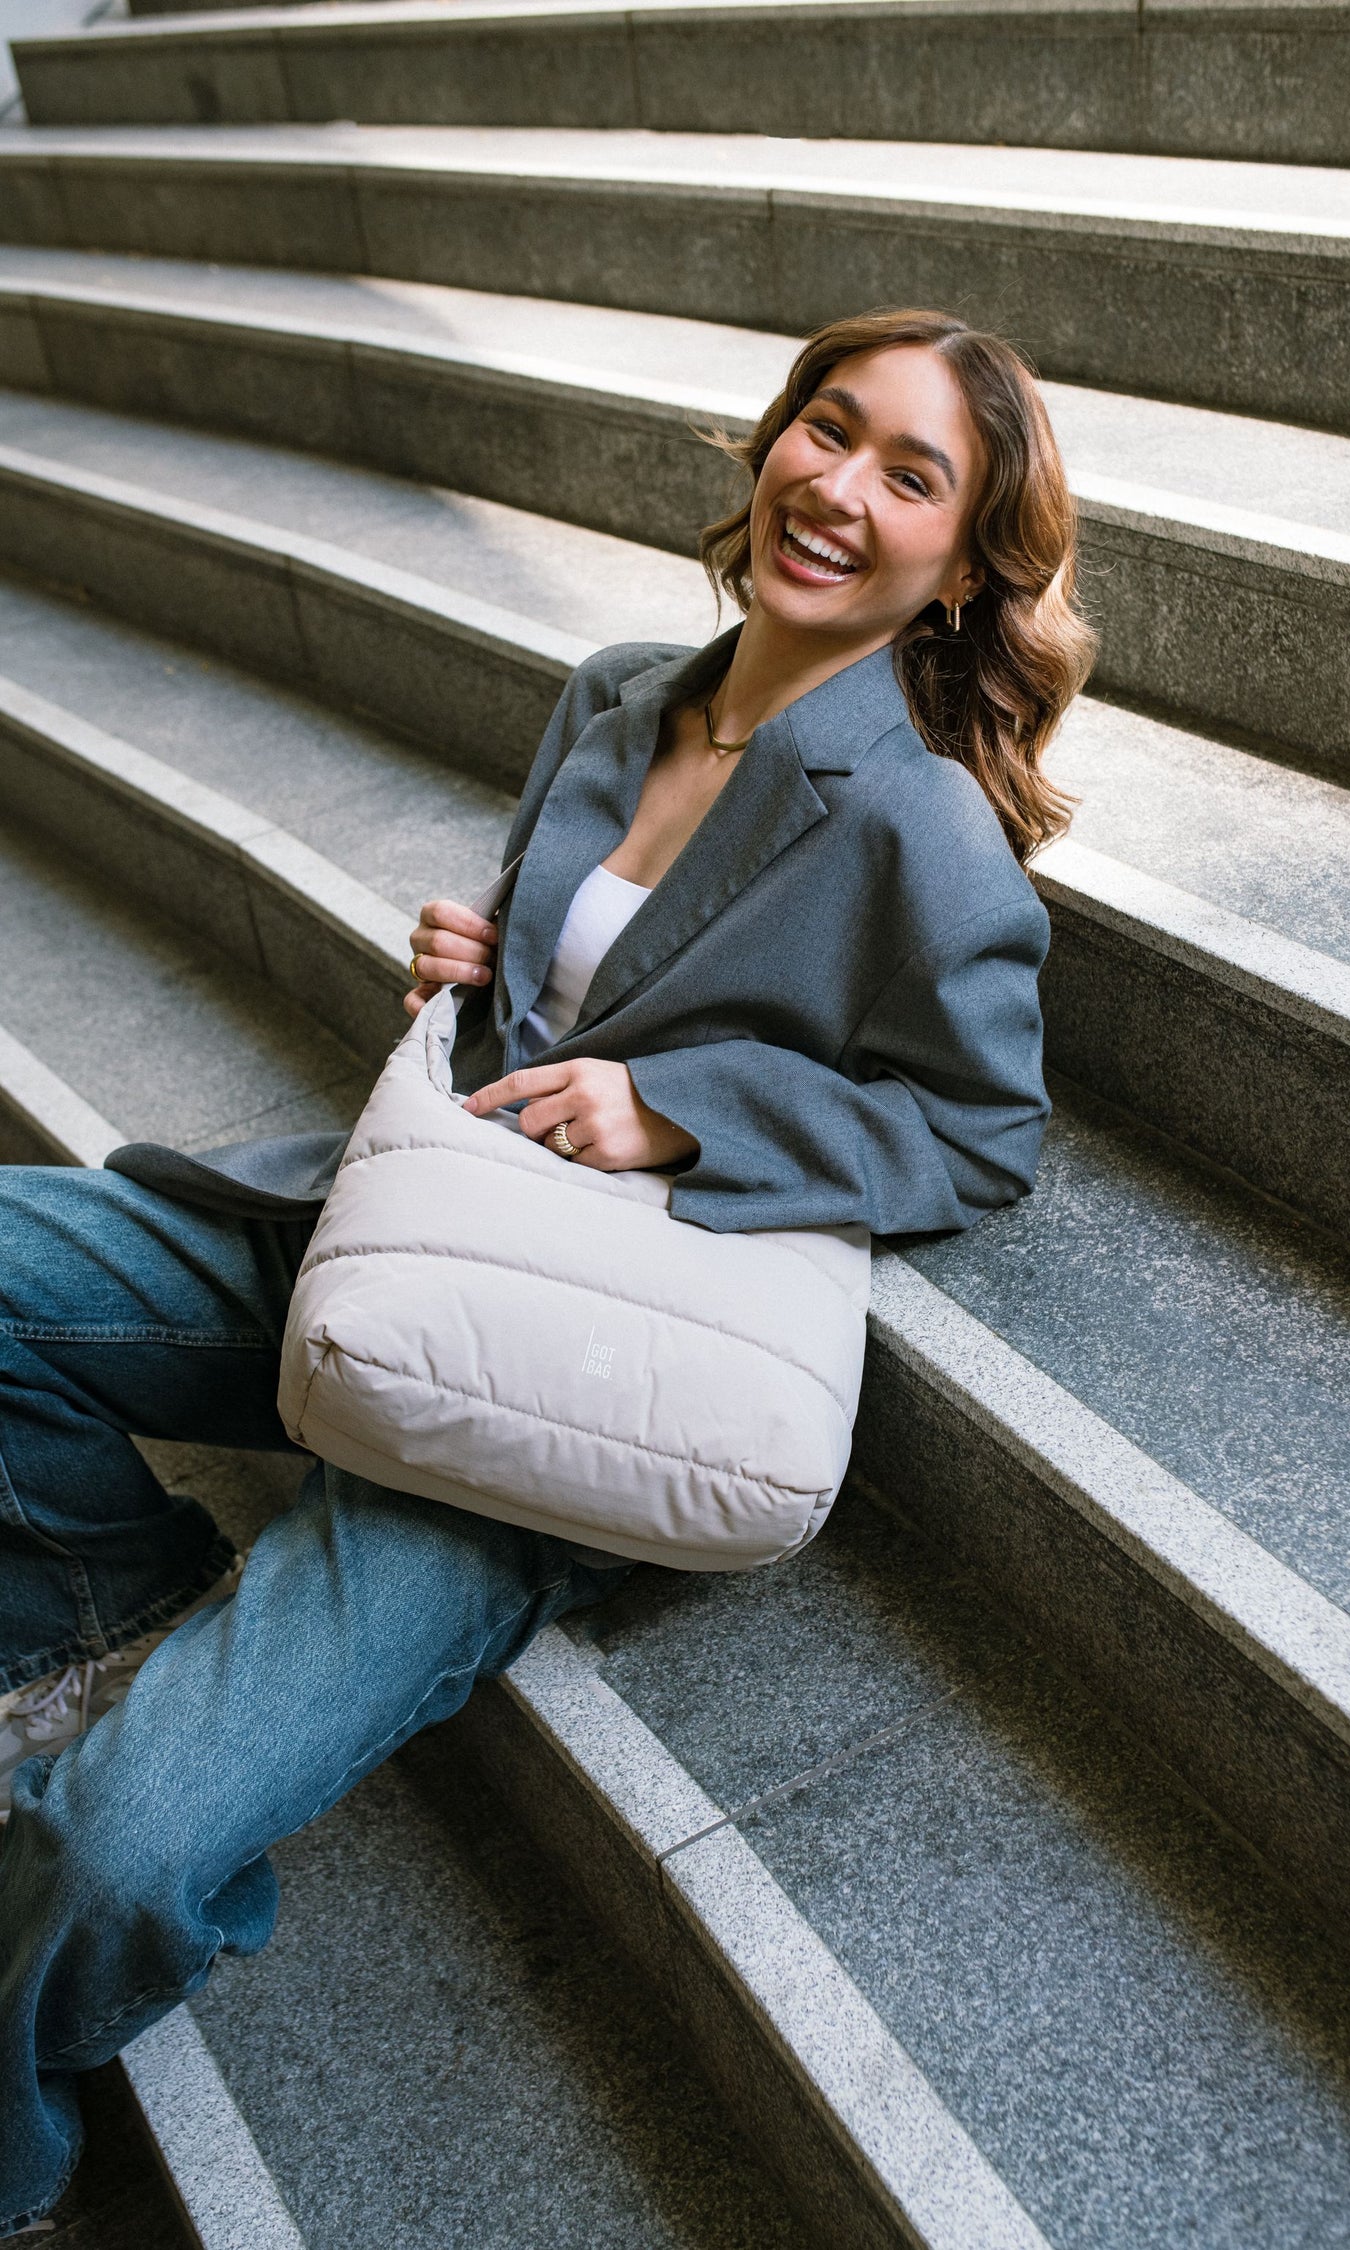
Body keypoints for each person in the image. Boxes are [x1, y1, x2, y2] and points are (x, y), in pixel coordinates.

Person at [0, 307, 1093, 2235]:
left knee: (112, 1849)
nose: (838, 488)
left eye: (909, 475)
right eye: (825, 431)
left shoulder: (922, 824)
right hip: (394, 1237)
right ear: (770, 440)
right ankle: (119, 1601)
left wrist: (686, 1110)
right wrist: (477, 960)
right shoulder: (616, 693)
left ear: (960, 567)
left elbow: (981, 1136)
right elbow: (571, 974)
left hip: (548, 1390)